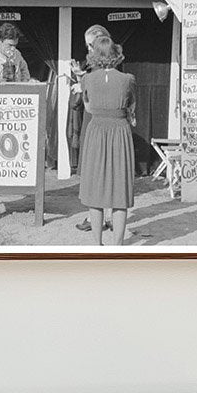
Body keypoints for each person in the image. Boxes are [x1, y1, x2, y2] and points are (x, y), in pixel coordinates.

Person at [78, 35, 136, 246]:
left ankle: (97, 245)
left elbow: (88, 107)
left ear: (94, 55)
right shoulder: (128, 79)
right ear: (116, 54)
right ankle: (118, 245)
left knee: (95, 188)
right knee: (119, 188)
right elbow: (130, 108)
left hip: (96, 132)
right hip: (120, 132)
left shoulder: (87, 79)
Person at [73, 25, 112, 232]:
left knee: (95, 171)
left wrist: (81, 84)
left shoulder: (97, 69)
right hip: (111, 125)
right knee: (108, 171)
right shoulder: (112, 66)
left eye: (90, 45)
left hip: (96, 121)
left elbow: (91, 100)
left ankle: (95, 218)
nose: (88, 49)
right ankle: (108, 216)